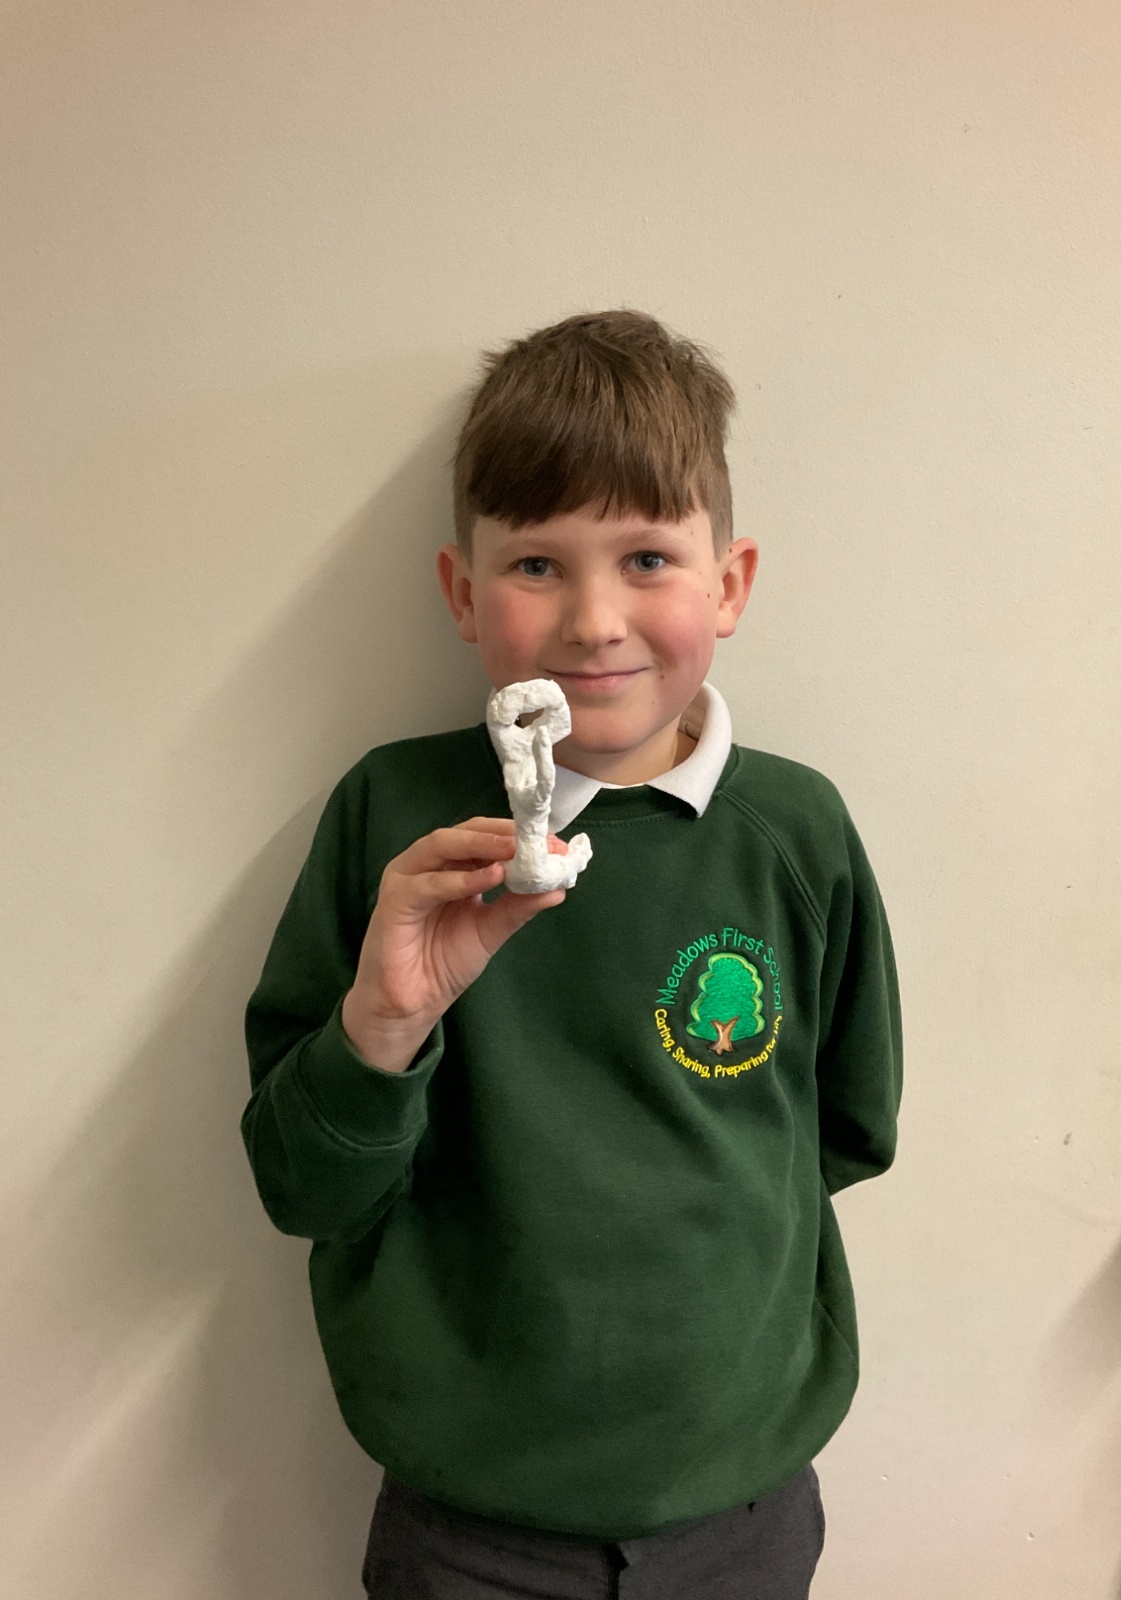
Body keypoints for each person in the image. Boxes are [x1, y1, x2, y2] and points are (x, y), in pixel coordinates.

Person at [242, 309, 903, 1599]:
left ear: (730, 584)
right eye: (537, 564)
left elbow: (847, 1125)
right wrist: (385, 1027)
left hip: (741, 1506)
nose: (596, 621)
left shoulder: (797, 832)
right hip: (464, 1526)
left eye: (648, 557)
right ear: (461, 592)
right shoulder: (393, 821)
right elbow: (302, 1188)